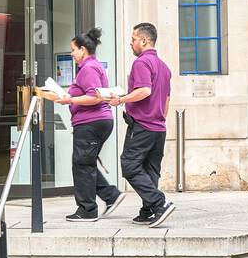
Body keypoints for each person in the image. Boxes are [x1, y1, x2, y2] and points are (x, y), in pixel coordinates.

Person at [45, 27, 124, 222]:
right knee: (85, 163)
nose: (71, 53)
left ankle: (87, 210)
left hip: (91, 122)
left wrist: (69, 100)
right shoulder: (93, 67)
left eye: (73, 49)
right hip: (96, 121)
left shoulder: (88, 69)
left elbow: (93, 97)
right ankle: (111, 195)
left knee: (81, 165)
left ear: (82, 49)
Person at [107, 23, 174, 226]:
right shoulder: (164, 67)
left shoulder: (142, 63)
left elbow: (144, 90)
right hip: (158, 127)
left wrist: (121, 100)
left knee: (129, 165)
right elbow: (167, 99)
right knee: (150, 169)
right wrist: (160, 119)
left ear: (144, 41)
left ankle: (159, 203)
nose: (131, 42)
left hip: (143, 126)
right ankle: (148, 212)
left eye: (134, 38)